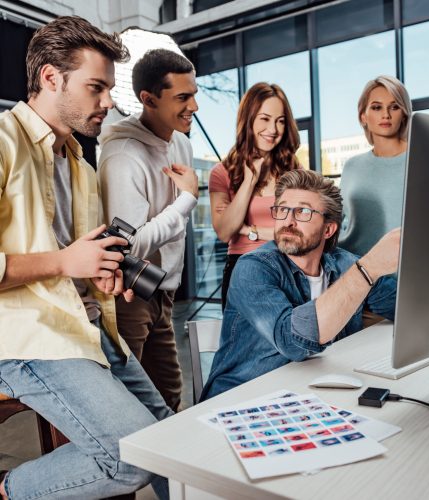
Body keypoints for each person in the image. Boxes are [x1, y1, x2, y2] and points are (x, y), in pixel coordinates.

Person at [0, 17, 171, 499]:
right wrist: (63, 263)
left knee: (170, 443)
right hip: (25, 338)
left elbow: (80, 261)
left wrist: (100, 274)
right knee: (128, 457)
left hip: (86, 325)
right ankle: (11, 491)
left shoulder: (78, 161)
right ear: (51, 78)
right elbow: (63, 261)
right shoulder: (3, 143)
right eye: (96, 87)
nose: (109, 102)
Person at [201, 169, 399, 400]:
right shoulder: (252, 268)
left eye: (303, 211)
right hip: (241, 400)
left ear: (328, 229)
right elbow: (292, 341)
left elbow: (404, 307)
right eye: (282, 209)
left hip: (311, 394)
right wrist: (368, 270)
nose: (288, 221)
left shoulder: (345, 264)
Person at [98, 49, 199, 412]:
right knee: (130, 403)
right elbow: (129, 245)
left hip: (164, 292)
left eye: (194, 94)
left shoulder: (182, 143)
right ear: (148, 99)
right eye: (182, 97)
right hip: (130, 294)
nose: (194, 107)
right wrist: (187, 199)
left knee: (171, 397)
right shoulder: (124, 154)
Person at [209, 82, 301, 309]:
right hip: (243, 267)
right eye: (265, 118)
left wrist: (250, 231)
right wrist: (249, 181)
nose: (273, 129)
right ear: (248, 119)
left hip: (289, 266)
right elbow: (224, 231)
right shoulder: (221, 173)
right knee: (242, 343)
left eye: (280, 121)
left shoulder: (294, 172)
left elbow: (298, 233)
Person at [339, 75, 412, 257]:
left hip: (407, 269)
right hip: (356, 269)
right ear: (363, 116)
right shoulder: (352, 166)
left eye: (394, 107)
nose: (385, 114)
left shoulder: (420, 159)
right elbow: (339, 220)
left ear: (403, 114)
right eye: (377, 107)